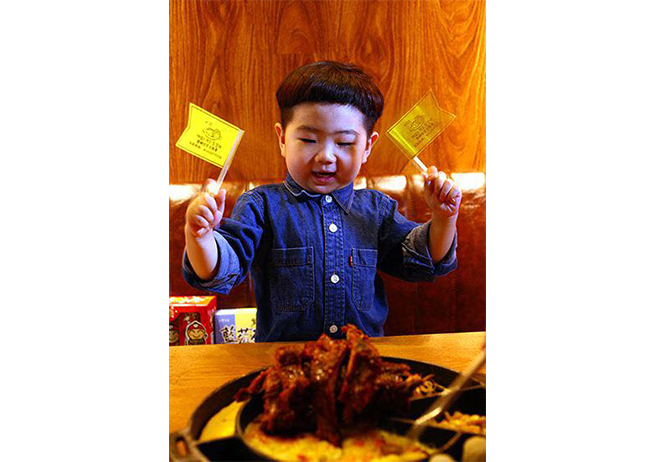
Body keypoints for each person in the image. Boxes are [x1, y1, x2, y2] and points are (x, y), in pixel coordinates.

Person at [183, 61, 461, 342]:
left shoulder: (377, 210)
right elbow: (222, 269)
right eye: (308, 139)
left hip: (360, 359)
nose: (326, 156)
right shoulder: (261, 206)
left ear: (367, 146)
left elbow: (420, 259)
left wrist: (444, 218)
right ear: (282, 139)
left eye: (344, 143)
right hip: (285, 361)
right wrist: (200, 236)